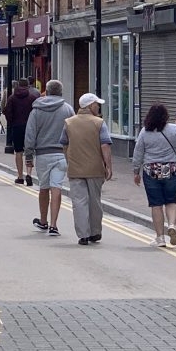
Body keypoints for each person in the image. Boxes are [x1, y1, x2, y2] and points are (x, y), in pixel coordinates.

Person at [132, 103, 176, 247]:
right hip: (171, 169)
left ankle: (160, 238)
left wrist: (136, 171)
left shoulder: (144, 132)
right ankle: (172, 225)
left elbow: (138, 153)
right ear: (166, 116)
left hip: (151, 170)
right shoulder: (174, 129)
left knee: (156, 204)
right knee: (171, 201)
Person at [24, 79, 74, 236]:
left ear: (47, 90)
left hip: (43, 154)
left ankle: (43, 221)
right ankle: (54, 225)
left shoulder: (37, 110)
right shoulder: (68, 109)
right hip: (61, 154)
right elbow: (73, 132)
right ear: (61, 91)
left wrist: (28, 156)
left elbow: (30, 134)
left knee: (44, 188)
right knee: (57, 187)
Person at [61, 93, 113, 245]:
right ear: (90, 106)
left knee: (79, 202)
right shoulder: (99, 123)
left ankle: (83, 235)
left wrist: (68, 160)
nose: (98, 106)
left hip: (75, 168)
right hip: (95, 169)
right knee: (94, 201)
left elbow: (64, 143)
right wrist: (108, 166)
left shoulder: (69, 122)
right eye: (97, 104)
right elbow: (105, 145)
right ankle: (95, 232)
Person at [4, 78, 40, 185]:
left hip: (17, 127)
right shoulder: (33, 98)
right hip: (30, 127)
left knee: (18, 152)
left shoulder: (12, 98)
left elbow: (7, 112)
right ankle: (28, 174)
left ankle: (20, 176)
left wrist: (11, 123)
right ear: (28, 86)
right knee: (29, 150)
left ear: (18, 85)